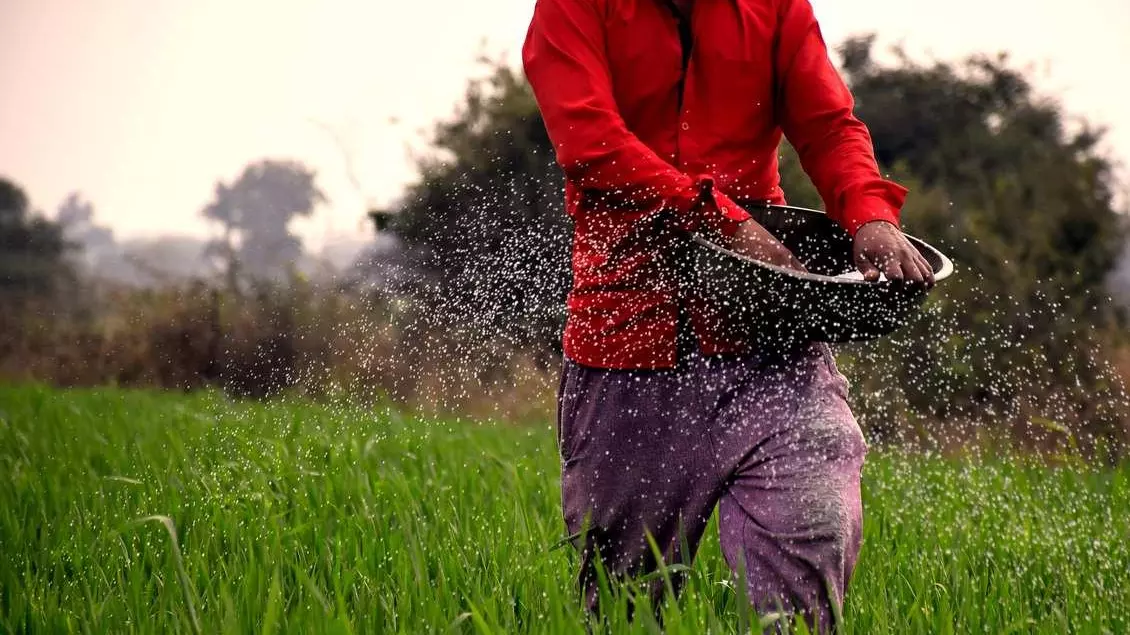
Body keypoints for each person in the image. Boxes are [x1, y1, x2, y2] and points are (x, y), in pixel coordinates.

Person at [522, 0, 934, 631]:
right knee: (625, 607)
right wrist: (723, 220)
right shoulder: (572, 8)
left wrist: (870, 213)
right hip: (629, 350)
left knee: (809, 534)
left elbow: (829, 127)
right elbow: (588, 140)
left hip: (768, 336)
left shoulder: (777, 11)